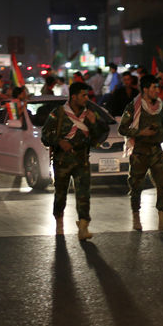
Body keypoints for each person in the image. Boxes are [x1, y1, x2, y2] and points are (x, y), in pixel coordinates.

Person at [41, 82, 108, 240]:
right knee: (60, 195)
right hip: (62, 162)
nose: (86, 98)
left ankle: (83, 227)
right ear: (73, 97)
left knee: (84, 195)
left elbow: (98, 137)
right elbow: (45, 136)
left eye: (87, 95)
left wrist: (93, 123)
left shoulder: (90, 114)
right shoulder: (58, 113)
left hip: (82, 160)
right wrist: (59, 142)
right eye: (83, 95)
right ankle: (59, 223)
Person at [118, 74, 163, 231]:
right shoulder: (133, 107)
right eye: (154, 87)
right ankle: (136, 218)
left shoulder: (160, 106)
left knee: (162, 183)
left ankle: (162, 219)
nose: (157, 90)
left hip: (157, 150)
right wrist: (141, 133)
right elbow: (122, 129)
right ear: (145, 89)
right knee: (136, 185)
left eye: (158, 87)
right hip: (140, 151)